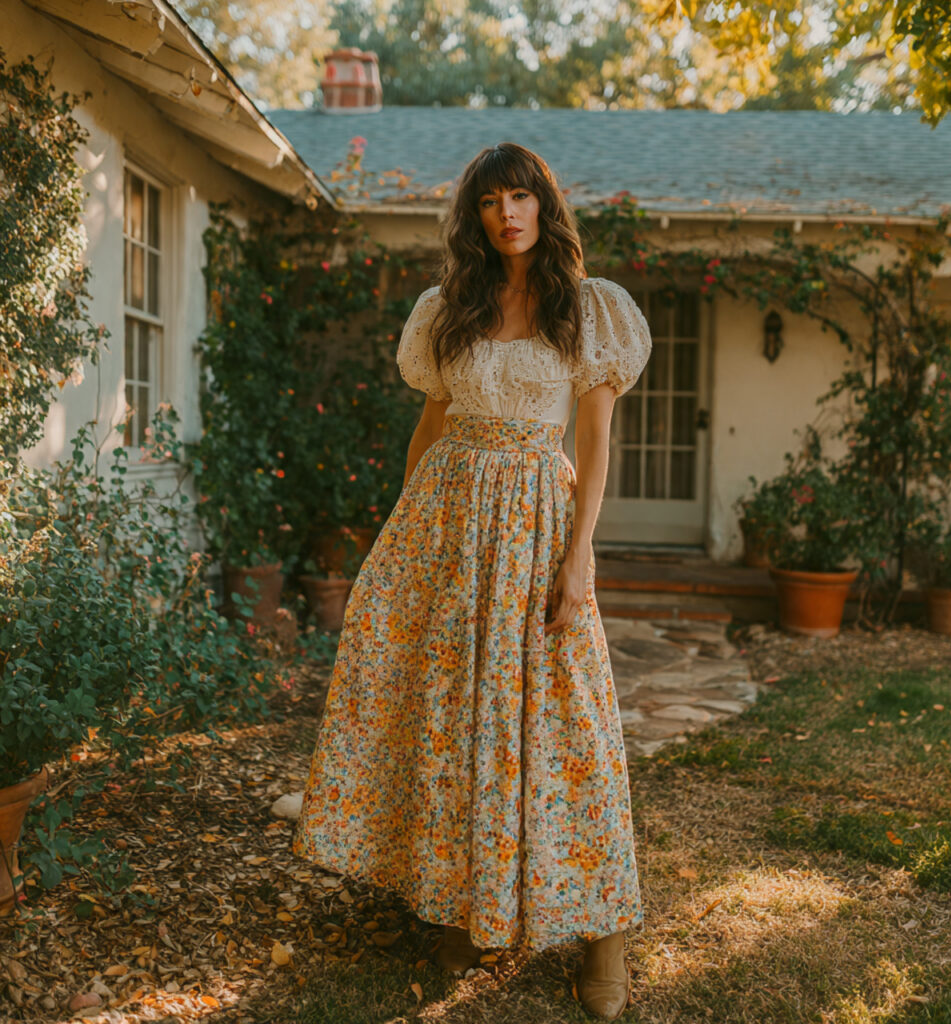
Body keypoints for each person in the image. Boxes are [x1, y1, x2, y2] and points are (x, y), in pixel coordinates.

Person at [292, 141, 652, 1021]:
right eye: (489, 201)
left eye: (521, 196)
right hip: (446, 523)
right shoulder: (447, 307)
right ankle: (468, 899)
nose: (507, 214)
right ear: (475, 217)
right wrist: (401, 533)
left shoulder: (588, 308)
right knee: (453, 713)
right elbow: (431, 425)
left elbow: (596, 443)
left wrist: (581, 553)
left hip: (537, 518)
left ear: (544, 204)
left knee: (569, 718)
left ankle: (603, 931)